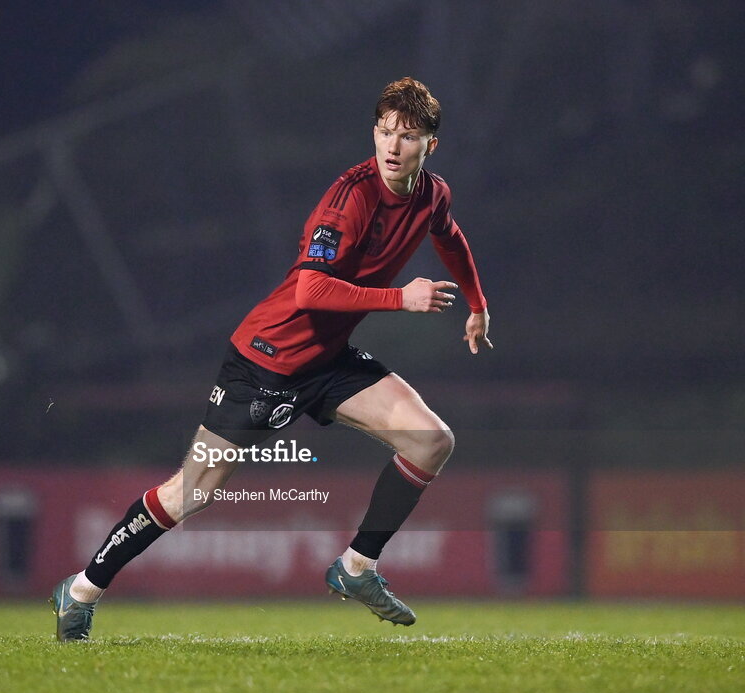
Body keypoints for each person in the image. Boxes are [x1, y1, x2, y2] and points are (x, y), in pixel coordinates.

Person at [51, 77, 492, 640]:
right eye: (385, 132)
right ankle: (81, 590)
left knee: (431, 440)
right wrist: (399, 298)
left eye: (408, 136)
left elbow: (448, 235)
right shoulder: (350, 199)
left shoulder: (432, 193)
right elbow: (310, 290)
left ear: (431, 144)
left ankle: (357, 568)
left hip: (327, 361)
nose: (392, 145)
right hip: (266, 359)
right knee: (192, 492)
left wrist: (477, 303)